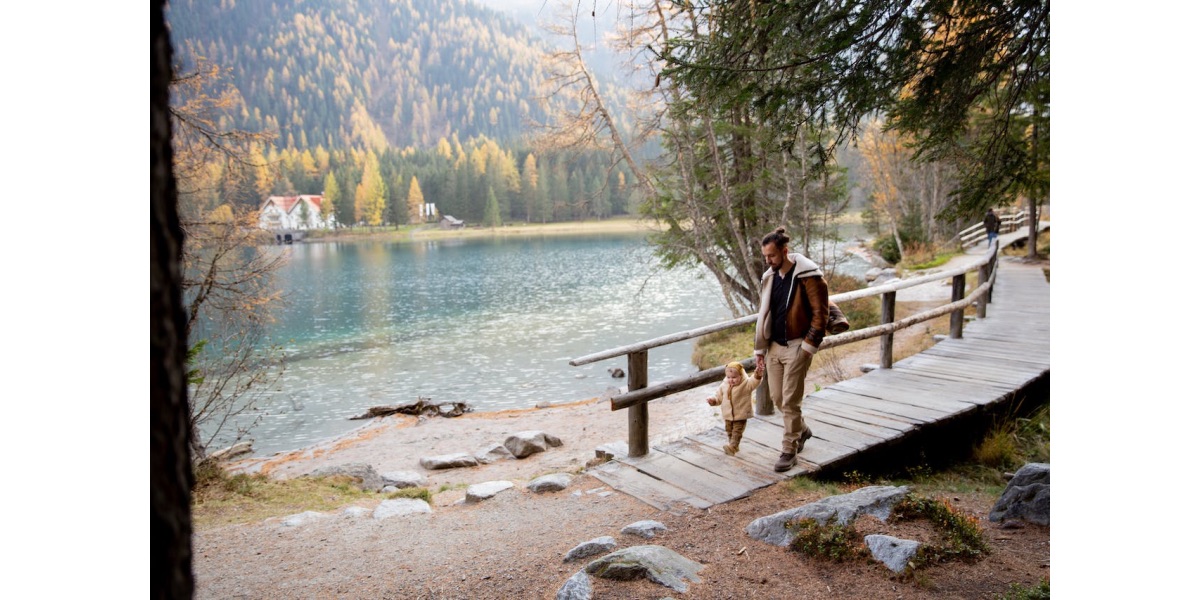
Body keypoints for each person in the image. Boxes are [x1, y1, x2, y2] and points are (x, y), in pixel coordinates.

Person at [753, 227, 829, 472]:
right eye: (765, 256)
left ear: (784, 252)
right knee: (777, 398)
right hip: (774, 346)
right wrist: (760, 348)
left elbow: (821, 314)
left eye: (772, 256)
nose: (768, 261)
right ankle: (802, 430)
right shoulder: (770, 277)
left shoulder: (808, 276)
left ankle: (789, 449)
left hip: (798, 345)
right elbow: (764, 313)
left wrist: (808, 347)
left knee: (790, 400)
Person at [706, 361, 763, 456]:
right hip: (728, 415)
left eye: (734, 377)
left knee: (737, 432)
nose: (731, 380)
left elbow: (754, 382)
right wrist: (713, 401)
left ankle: (732, 447)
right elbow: (719, 398)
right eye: (728, 377)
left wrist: (757, 374)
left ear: (741, 375)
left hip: (741, 414)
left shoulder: (746, 384)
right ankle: (733, 445)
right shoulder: (724, 385)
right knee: (729, 431)